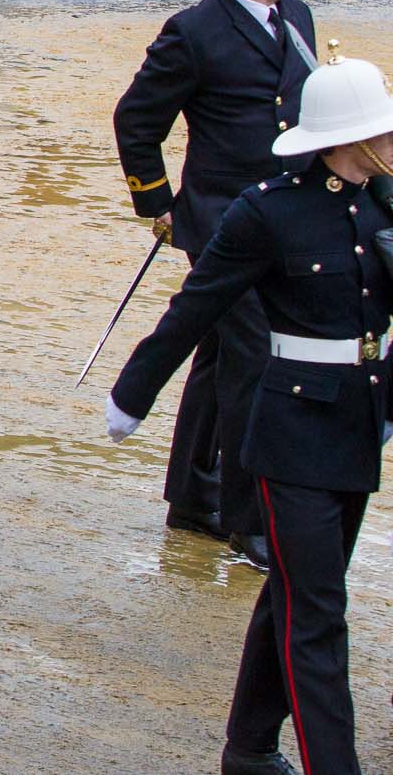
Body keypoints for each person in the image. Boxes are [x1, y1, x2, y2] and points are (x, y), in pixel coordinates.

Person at [107, 53, 393, 775]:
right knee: (319, 614)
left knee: (298, 590)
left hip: (360, 424)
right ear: (349, 141)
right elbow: (196, 303)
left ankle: (249, 746)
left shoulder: (384, 202)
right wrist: (133, 391)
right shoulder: (267, 209)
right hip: (291, 433)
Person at [114, 0, 316, 571]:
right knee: (255, 364)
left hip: (282, 220)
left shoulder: (298, 18)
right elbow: (137, 119)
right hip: (224, 226)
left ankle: (192, 498)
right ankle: (248, 521)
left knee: (219, 360)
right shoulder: (196, 32)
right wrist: (160, 204)